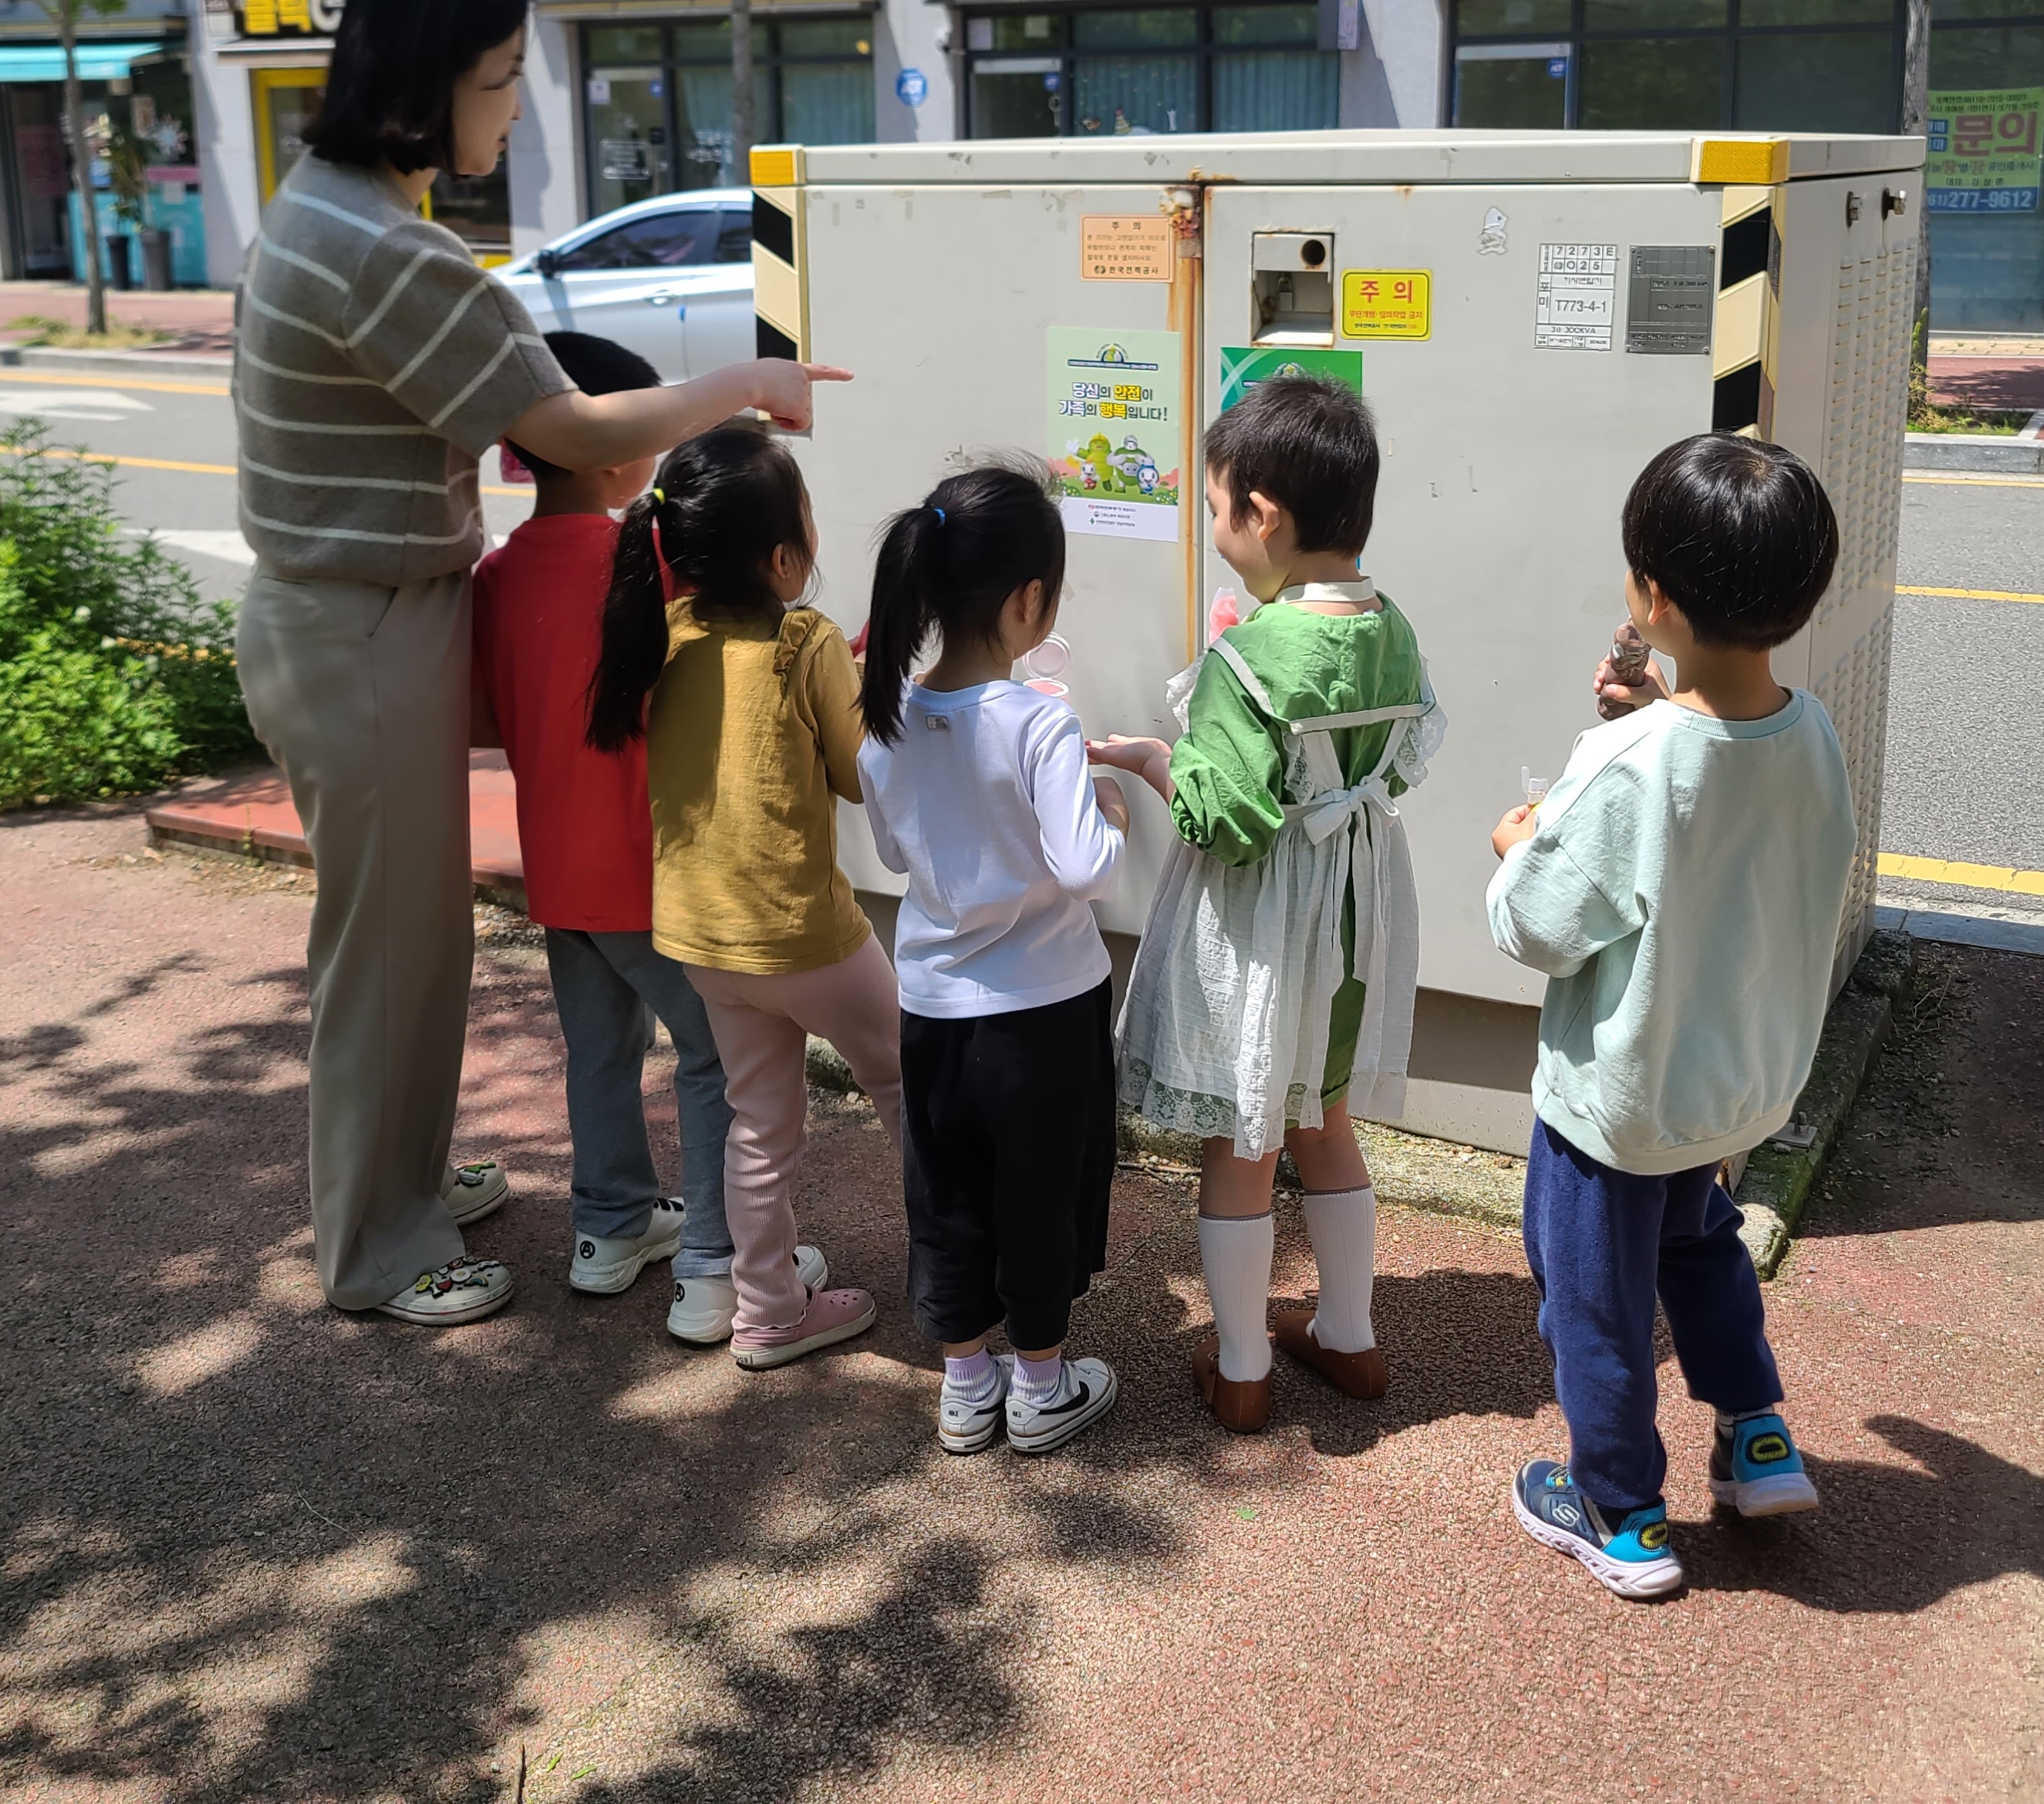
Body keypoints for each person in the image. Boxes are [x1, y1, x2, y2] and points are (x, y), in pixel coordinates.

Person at [232, 0, 846, 1328]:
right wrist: (742, 381)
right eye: (502, 78)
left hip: (351, 619)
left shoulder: (326, 200)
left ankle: (396, 1177)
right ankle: (376, 1246)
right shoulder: (386, 246)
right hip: (360, 625)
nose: (515, 108)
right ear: (429, 80)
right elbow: (562, 425)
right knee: (386, 955)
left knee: (410, 943)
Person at [1488, 432, 1857, 1600]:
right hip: (1731, 1082)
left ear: (1652, 597)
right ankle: (1755, 1433)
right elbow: (1722, 797)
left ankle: (1619, 1506)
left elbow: (1536, 924)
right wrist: (1653, 710)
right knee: (1700, 1244)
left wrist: (1518, 840)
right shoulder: (1813, 733)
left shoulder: (1631, 759)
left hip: (1617, 1099)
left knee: (1592, 1298)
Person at [1091, 376, 1439, 1435]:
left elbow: (1225, 821)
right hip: (1353, 918)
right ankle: (1350, 1335)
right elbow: (1412, 754)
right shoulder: (1393, 627)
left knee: (1242, 1143)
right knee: (1325, 1119)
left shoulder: (1251, 658)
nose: (1213, 525)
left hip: (1260, 930)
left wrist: (1160, 757)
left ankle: (1241, 1367)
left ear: (1264, 516)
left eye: (1214, 507)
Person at [474, 329, 833, 1337]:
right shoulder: (653, 560)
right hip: (651, 878)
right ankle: (719, 1259)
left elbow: (490, 714)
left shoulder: (497, 577)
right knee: (718, 1059)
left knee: (599, 1053)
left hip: (556, 873)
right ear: (602, 445)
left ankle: (609, 1230)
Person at [587, 423, 902, 1368]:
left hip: (704, 942)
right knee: (910, 1087)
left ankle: (765, 1311)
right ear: (781, 554)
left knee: (759, 1127)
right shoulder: (803, 640)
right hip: (807, 937)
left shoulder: (668, 634)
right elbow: (858, 776)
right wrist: (862, 679)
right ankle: (962, 1272)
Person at [855, 464, 1132, 1457]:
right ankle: (1042, 1386)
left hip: (931, 1003)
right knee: (1040, 1191)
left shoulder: (884, 713)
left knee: (948, 1192)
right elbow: (1085, 869)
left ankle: (967, 1384)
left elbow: (895, 854)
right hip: (1044, 1007)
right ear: (1029, 602)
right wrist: (1113, 812)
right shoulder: (1039, 719)